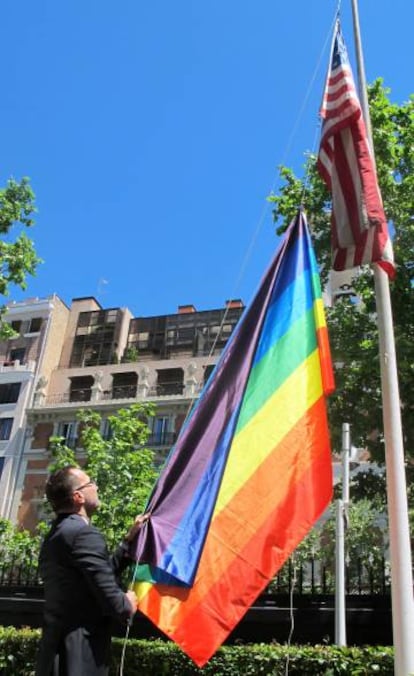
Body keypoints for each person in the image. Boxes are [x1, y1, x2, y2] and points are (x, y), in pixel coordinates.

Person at [35, 466, 148, 676]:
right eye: (90, 483)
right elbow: (115, 603)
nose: (96, 486)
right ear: (78, 496)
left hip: (54, 656)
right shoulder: (83, 534)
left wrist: (128, 541)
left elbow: (95, 577)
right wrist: (127, 602)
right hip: (80, 658)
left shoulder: (56, 534)